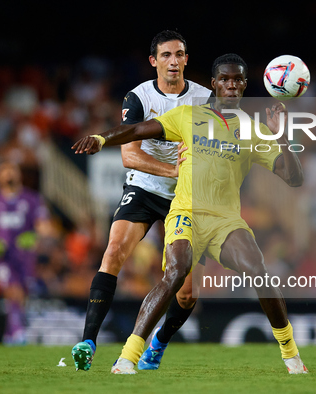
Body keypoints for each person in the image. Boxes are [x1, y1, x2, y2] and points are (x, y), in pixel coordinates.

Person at [72, 53, 308, 375]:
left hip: (225, 220)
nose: (231, 85)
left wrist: (281, 134)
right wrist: (102, 138)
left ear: (244, 85)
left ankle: (292, 357)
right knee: (177, 272)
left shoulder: (253, 130)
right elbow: (138, 129)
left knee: (258, 272)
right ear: (214, 84)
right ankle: (129, 357)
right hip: (185, 212)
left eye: (237, 79)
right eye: (224, 79)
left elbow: (294, 178)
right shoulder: (187, 116)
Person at [71, 30, 212, 371]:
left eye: (179, 54)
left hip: (187, 196)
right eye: (166, 55)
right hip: (146, 187)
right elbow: (129, 156)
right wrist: (174, 169)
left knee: (188, 292)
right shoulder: (139, 97)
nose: (174, 61)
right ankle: (88, 342)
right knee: (114, 250)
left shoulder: (206, 99)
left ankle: (158, 343)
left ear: (186, 59)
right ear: (154, 61)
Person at [0, 162, 49, 344]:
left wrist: (34, 237)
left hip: (25, 256)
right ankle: (19, 331)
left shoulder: (31, 199)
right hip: (4, 256)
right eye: (5, 171)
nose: (9, 175)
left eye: (12, 170)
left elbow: (43, 225)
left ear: (18, 174)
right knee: (13, 290)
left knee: (22, 293)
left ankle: (10, 334)